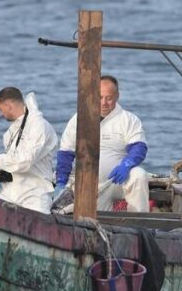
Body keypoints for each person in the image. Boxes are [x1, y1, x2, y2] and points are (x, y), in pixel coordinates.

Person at [54, 75, 149, 212]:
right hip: (89, 184)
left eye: (109, 98)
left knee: (138, 175)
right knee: (75, 213)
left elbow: (138, 148)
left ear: (117, 96)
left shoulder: (128, 119)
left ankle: (139, 223)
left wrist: (126, 165)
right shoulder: (78, 119)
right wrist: (61, 182)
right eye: (99, 97)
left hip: (118, 182)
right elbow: (66, 153)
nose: (104, 102)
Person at [0, 87, 58, 214]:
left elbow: (25, 161)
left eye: (0, 108)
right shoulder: (11, 132)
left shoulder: (38, 126)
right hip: (11, 192)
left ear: (8, 106)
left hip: (34, 195)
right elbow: (12, 163)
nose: (0, 114)